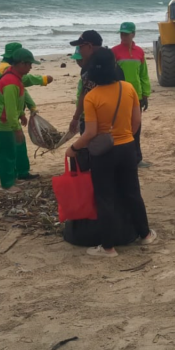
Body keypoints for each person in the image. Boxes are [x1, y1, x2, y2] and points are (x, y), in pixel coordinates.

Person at [64, 48, 155, 257]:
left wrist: (73, 148)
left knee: (105, 198)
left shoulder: (91, 97)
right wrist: (124, 137)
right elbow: (136, 122)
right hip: (127, 148)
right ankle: (145, 235)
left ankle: (108, 248)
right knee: (132, 192)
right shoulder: (128, 88)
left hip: (103, 153)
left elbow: (90, 133)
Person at [0, 48, 43, 193]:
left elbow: (16, 101)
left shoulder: (15, 75)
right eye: (29, 64)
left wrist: (21, 113)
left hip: (3, 118)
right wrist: (17, 129)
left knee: (12, 150)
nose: (31, 67)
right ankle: (7, 185)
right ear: (21, 64)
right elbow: (10, 110)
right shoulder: (11, 82)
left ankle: (11, 177)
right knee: (6, 153)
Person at [112, 22, 152, 167]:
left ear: (133, 34)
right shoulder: (114, 51)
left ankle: (137, 159)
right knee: (121, 128)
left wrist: (145, 94)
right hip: (119, 95)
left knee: (136, 128)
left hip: (137, 96)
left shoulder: (139, 52)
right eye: (122, 34)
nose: (123, 37)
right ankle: (122, 159)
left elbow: (143, 74)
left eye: (126, 34)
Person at [69, 30, 124, 134]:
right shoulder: (112, 65)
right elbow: (84, 91)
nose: (80, 51)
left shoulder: (96, 68)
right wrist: (76, 118)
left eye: (80, 47)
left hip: (102, 123)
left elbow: (85, 93)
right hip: (111, 121)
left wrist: (76, 118)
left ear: (89, 46)